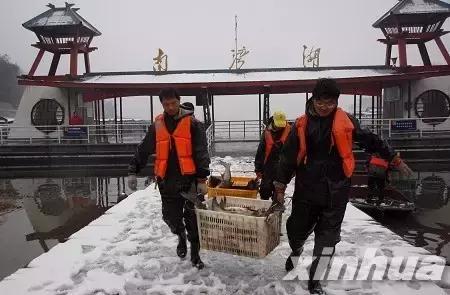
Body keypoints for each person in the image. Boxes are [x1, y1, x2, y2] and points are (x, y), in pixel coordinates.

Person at [273, 78, 412, 294]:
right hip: (306, 190)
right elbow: (288, 158)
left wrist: (394, 159)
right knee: (295, 230)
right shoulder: (301, 124)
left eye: (330, 102)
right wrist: (280, 186)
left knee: (327, 240)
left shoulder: (347, 121)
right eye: (321, 101)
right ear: (314, 99)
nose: (325, 107)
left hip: (336, 191)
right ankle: (296, 250)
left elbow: (371, 140)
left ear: (336, 102)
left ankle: (315, 281)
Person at [128, 87, 211, 269]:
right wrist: (133, 169)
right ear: (162, 104)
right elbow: (144, 148)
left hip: (190, 182)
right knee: (170, 218)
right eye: (167, 104)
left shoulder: (194, 124)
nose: (171, 107)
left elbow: (201, 153)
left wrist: (202, 180)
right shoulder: (157, 125)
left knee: (193, 221)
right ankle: (180, 236)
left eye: (173, 103)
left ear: (179, 100)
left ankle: (195, 254)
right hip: (167, 181)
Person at [254, 111, 291, 200]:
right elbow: (261, 151)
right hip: (268, 167)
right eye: (278, 124)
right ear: (273, 121)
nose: (280, 127)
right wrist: (258, 168)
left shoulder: (290, 132)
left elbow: (293, 152)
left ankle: (276, 210)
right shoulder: (267, 133)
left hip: (282, 167)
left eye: (281, 125)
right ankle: (264, 210)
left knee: (278, 194)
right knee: (264, 191)